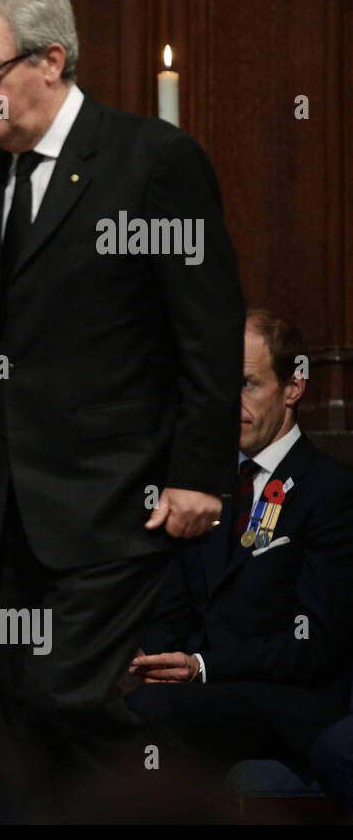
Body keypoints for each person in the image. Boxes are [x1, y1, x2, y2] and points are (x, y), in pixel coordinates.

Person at [0, 0, 245, 800]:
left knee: (67, 694)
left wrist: (200, 470)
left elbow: (207, 330)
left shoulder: (152, 161)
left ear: (51, 59)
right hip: (4, 517)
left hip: (118, 499)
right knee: (18, 721)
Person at [126, 310, 353, 791]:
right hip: (204, 693)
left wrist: (203, 667)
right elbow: (174, 611)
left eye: (248, 385)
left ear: (294, 386)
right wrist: (144, 657)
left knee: (149, 711)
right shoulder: (204, 488)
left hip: (289, 701)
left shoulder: (332, 492)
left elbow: (315, 647)